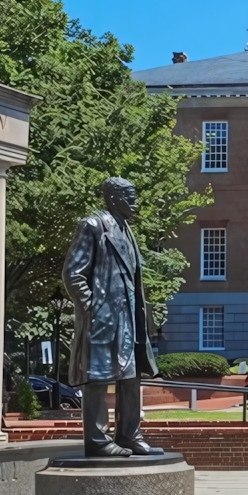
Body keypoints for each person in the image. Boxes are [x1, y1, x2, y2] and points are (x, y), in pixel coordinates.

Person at [64, 177, 162, 457]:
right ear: (113, 198)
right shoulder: (93, 226)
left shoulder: (126, 229)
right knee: (97, 378)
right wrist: (93, 308)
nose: (135, 203)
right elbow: (73, 273)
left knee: (130, 376)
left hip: (129, 316)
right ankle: (97, 440)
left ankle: (129, 435)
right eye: (130, 198)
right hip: (103, 318)